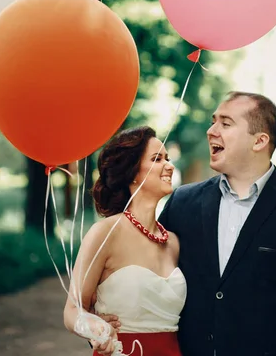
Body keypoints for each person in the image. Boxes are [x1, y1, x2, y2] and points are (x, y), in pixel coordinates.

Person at [159, 91, 276, 356]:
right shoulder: (182, 203)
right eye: (213, 121)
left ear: (259, 141)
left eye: (226, 123)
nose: (211, 131)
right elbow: (148, 274)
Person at [64, 125, 186, 356]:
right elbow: (72, 311)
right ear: (132, 171)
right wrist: (97, 329)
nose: (169, 166)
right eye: (157, 159)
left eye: (167, 158)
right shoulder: (105, 233)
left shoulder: (173, 242)